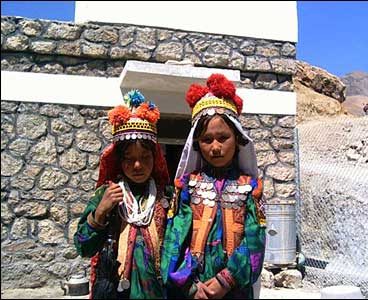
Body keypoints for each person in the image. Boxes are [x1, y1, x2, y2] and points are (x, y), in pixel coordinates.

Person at [161, 74, 266, 299]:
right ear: (197, 145)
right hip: (195, 289)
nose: (215, 147)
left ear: (237, 140)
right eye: (207, 140)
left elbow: (255, 239)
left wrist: (226, 280)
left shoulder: (250, 188)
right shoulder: (187, 186)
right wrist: (190, 285)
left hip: (234, 290)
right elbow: (174, 240)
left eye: (223, 137)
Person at [74, 89, 171, 299]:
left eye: (145, 157)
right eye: (129, 158)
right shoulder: (107, 194)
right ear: (118, 160)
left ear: (155, 159)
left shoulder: (166, 198)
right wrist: (99, 214)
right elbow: (83, 247)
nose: (138, 165)